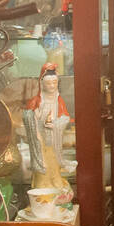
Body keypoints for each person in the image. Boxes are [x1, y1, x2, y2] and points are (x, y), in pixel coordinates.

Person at [23, 63, 74, 197]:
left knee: (54, 164)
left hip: (54, 140)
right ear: (42, 84)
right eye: (49, 84)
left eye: (54, 83)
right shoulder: (36, 101)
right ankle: (42, 186)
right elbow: (28, 116)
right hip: (40, 140)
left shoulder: (59, 101)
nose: (52, 86)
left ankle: (56, 183)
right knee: (43, 166)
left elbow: (65, 117)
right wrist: (35, 118)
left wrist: (56, 124)